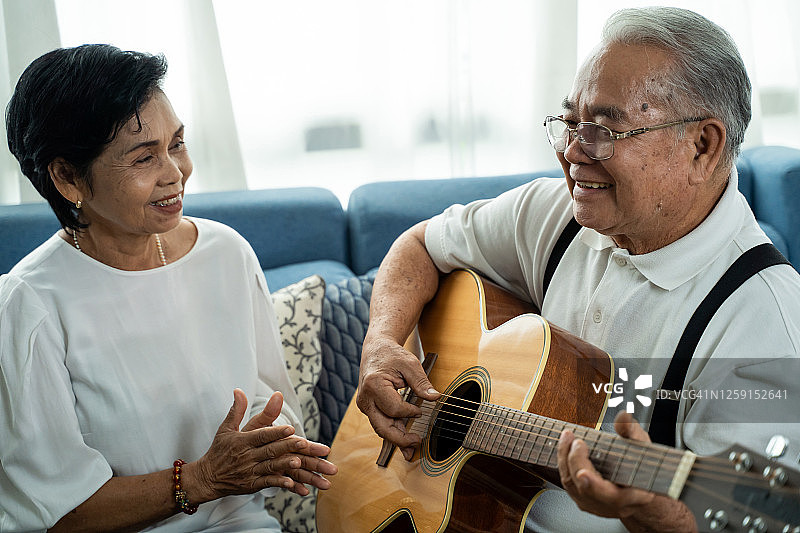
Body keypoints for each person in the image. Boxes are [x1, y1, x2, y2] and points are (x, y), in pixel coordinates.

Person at [356, 7, 800, 533]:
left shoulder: (764, 319)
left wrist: (656, 515)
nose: (571, 152)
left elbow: (755, 513)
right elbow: (420, 246)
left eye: (605, 130)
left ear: (702, 145)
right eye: (571, 122)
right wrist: (381, 344)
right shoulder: (556, 217)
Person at [0, 44, 336, 532]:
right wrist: (201, 479)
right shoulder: (29, 305)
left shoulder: (227, 252)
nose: (176, 173)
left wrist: (276, 448)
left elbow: (268, 399)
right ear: (68, 177)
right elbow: (55, 516)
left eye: (177, 143)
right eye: (144, 158)